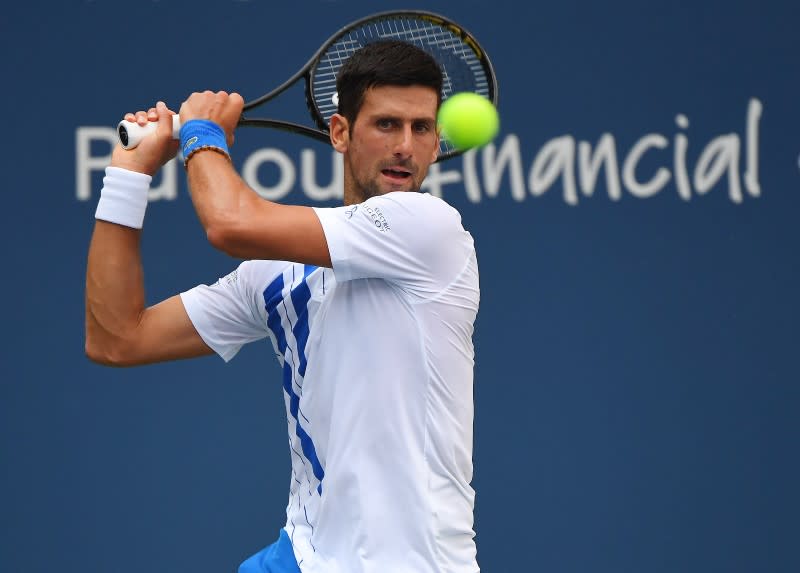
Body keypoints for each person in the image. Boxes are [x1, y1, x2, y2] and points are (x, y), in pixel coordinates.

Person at [85, 40, 480, 573]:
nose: (406, 146)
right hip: (301, 556)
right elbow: (117, 338)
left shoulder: (432, 230)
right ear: (340, 132)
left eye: (422, 128)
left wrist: (202, 134)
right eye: (386, 125)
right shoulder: (275, 274)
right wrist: (127, 178)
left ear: (436, 144)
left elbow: (230, 224)